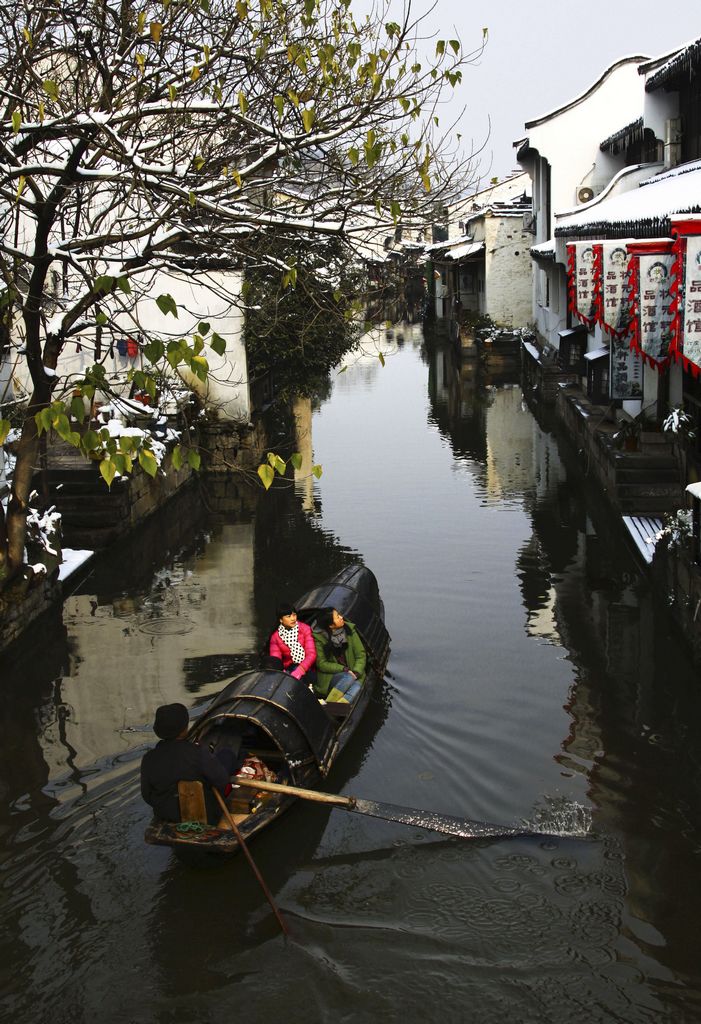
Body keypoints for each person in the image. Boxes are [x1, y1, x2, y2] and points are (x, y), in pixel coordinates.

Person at [140, 703, 241, 824]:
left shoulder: (148, 758)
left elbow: (147, 795)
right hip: (207, 815)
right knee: (227, 755)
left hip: (167, 816)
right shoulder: (198, 754)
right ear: (184, 730)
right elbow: (223, 782)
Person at [312, 607, 367, 703]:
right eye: (337, 617)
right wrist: (344, 669)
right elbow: (322, 664)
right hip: (331, 678)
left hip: (354, 674)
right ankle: (331, 707)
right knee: (348, 677)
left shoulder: (350, 630)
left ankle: (329, 706)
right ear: (331, 625)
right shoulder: (319, 638)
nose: (342, 617)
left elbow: (361, 655)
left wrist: (356, 672)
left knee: (357, 686)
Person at [268, 602, 316, 681]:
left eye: (294, 615)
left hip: (308, 668)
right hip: (288, 670)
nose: (293, 619)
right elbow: (276, 661)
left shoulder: (305, 629)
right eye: (288, 616)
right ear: (281, 619)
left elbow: (311, 654)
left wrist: (301, 670)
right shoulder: (275, 637)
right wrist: (283, 673)